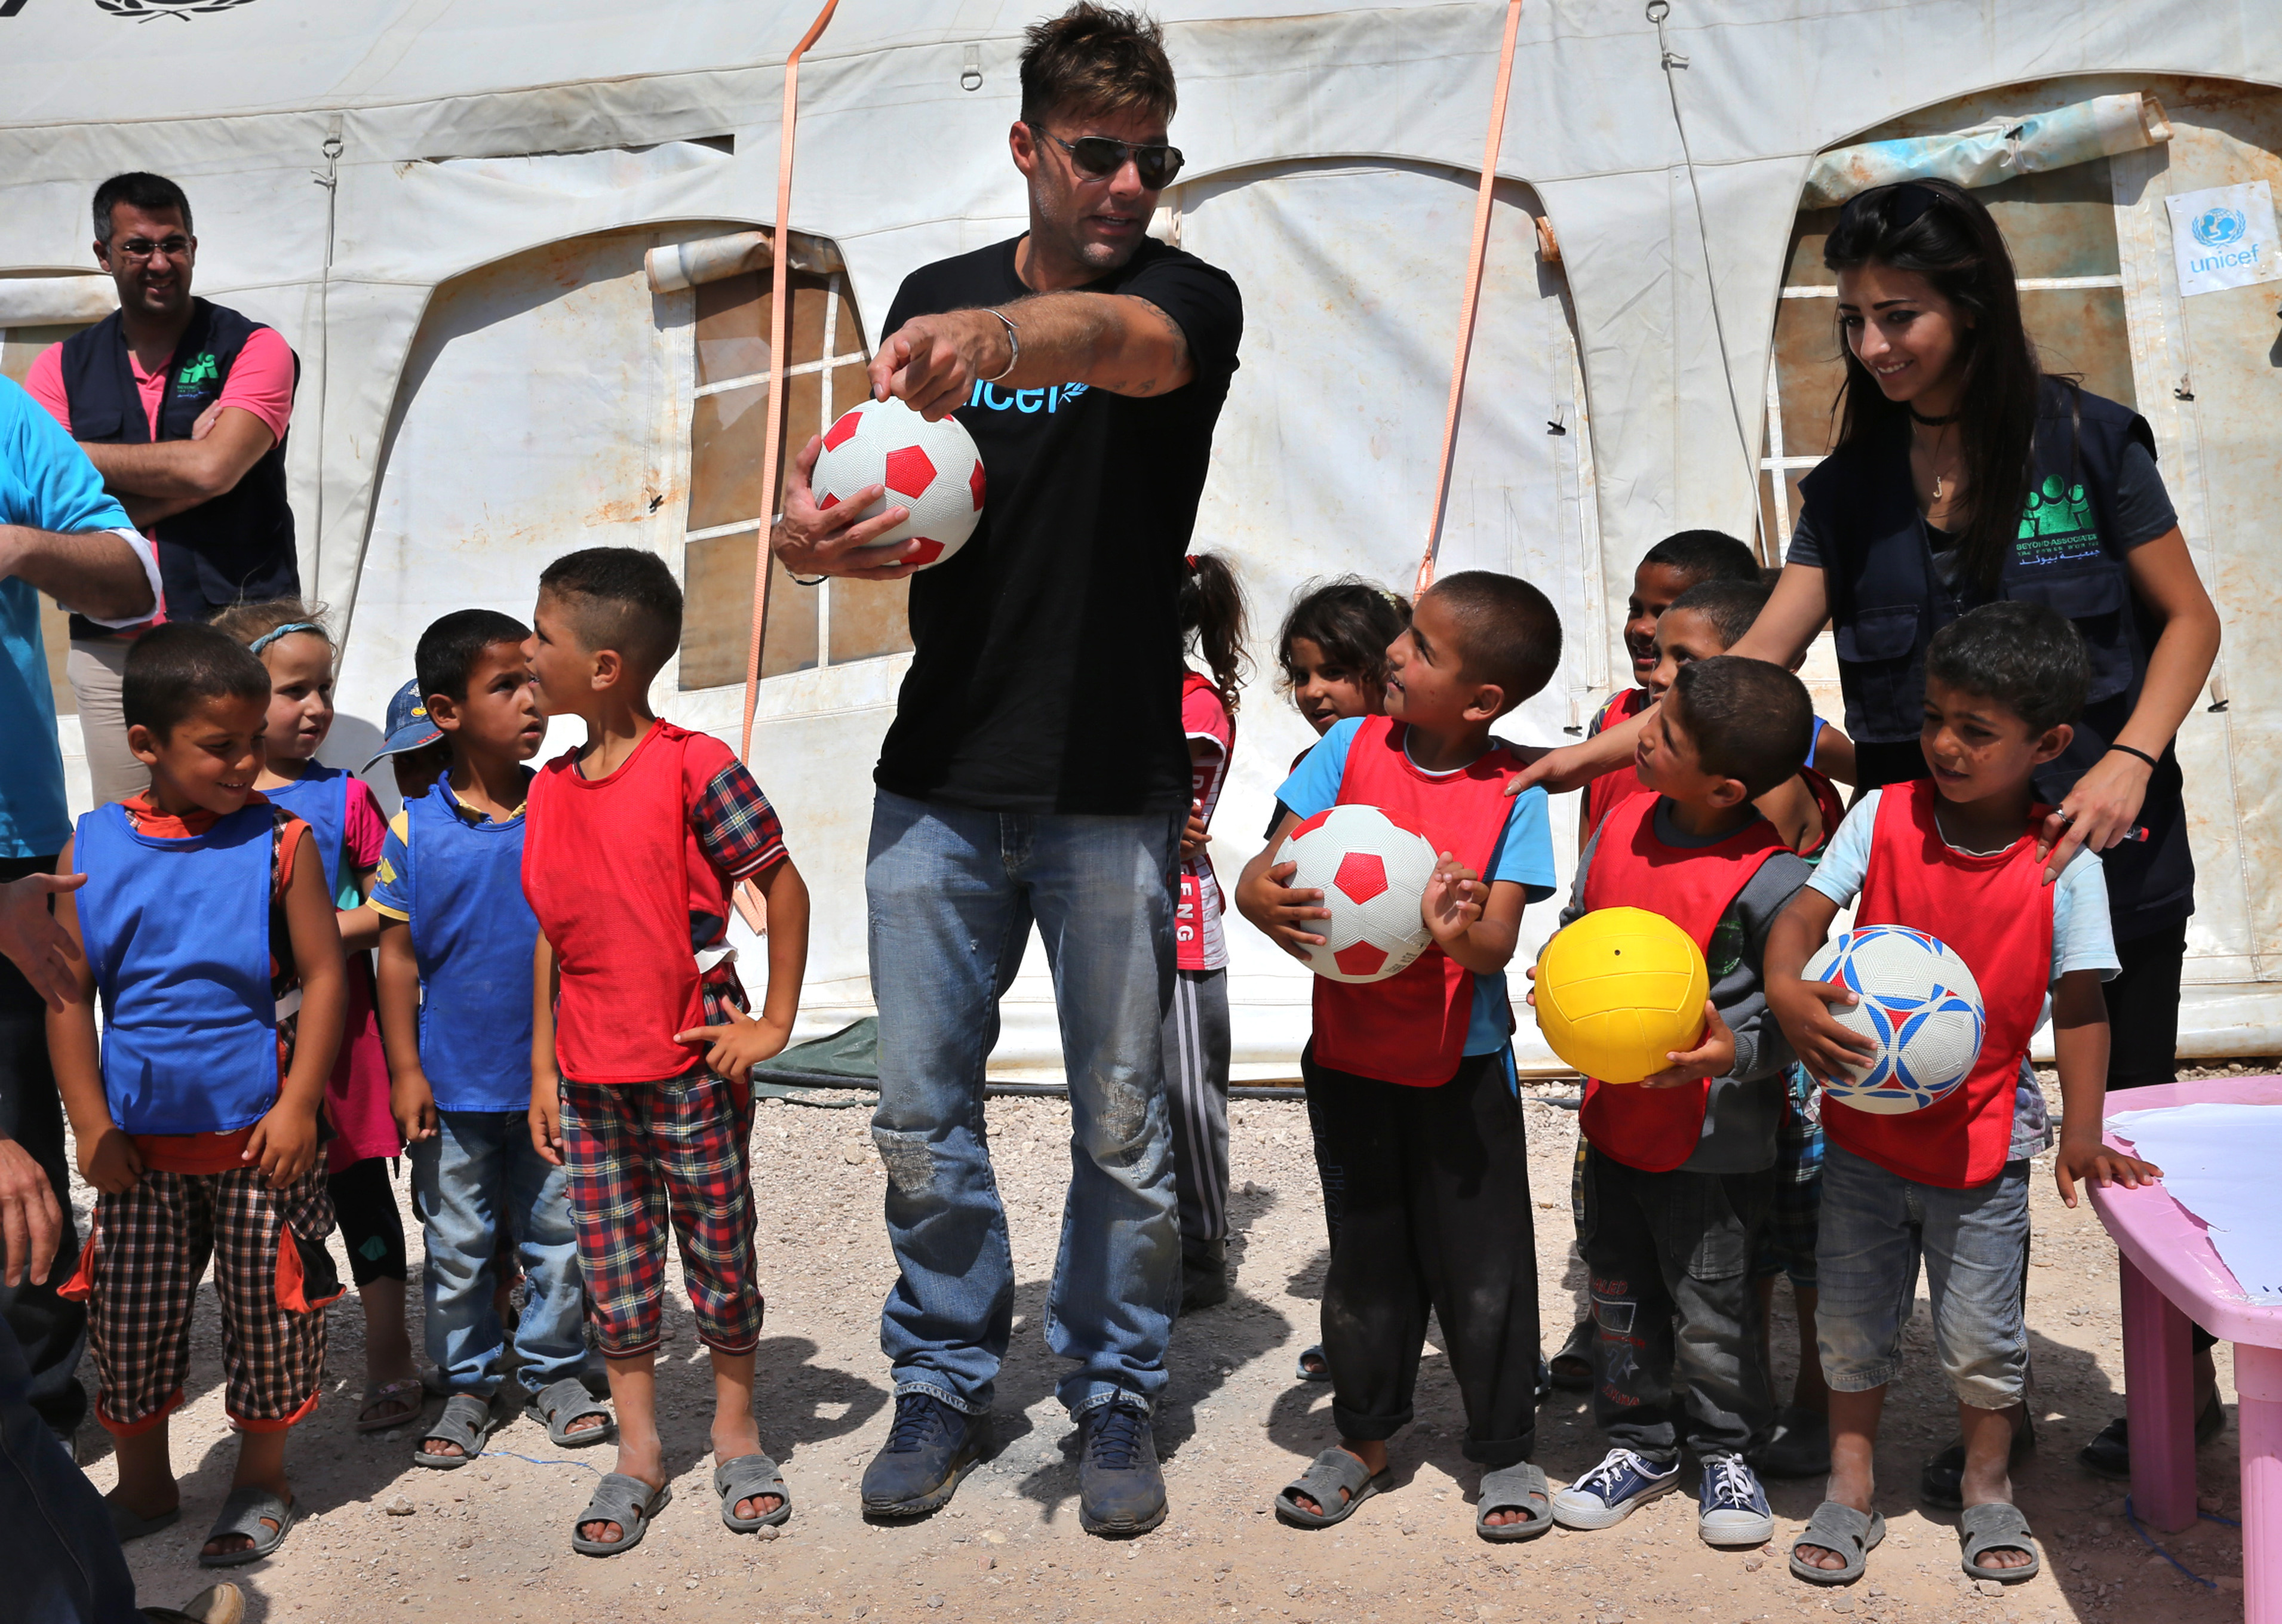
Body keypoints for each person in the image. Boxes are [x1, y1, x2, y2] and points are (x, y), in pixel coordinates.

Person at [1515, 179, 2222, 1484]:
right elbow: (1752, 677)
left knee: (2123, 1120)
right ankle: (1917, 1416)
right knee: (1911, 1135)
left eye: (1895, 316)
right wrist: (1582, 757)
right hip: (1917, 887)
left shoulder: (2089, 440)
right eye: (1850, 322)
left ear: (1968, 302)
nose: (1871, 347)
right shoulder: (1848, 486)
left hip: (2097, 853)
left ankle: (2172, 1396)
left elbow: (2188, 619)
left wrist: (2129, 758)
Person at [767, 4, 1241, 1536]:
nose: (1126, 185)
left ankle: (1113, 1387)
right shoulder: (928, 297)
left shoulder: (1188, 292)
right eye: (1096, 154)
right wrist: (813, 541)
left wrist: (1004, 339)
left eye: (1150, 158)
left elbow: (1121, 347)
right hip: (941, 771)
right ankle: (943, 1375)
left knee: (1116, 1114)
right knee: (916, 1108)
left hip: (1107, 777)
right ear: (1027, 147)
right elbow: (893, 504)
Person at [1767, 602, 2163, 1586]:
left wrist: (2082, 1130)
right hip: (1860, 1135)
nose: (1943, 742)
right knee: (1855, 1322)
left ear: (2050, 743)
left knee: (1981, 1335)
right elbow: (1801, 916)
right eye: (1936, 716)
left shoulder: (2063, 863)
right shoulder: (1883, 814)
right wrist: (1783, 987)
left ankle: (1989, 1489)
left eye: (1976, 731)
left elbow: (2080, 1010)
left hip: (1983, 1148)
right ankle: (1850, 1488)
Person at [1237, 571, 1559, 1541]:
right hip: (1347, 1059)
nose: (1394, 654)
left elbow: (1496, 945)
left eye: (1419, 648)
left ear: (1481, 701)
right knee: (1367, 1264)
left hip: (1460, 1069)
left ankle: (1504, 1449)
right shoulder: (1347, 747)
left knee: (1484, 1268)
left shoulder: (1514, 792)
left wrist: (1452, 930)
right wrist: (1256, 893)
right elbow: (1274, 863)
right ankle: (1365, 1440)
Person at [521, 548, 810, 1555]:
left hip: (690, 1067)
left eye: (542, 635)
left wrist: (770, 1024)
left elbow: (781, 885)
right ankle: (638, 1451)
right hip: (591, 1082)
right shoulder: (549, 788)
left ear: (605, 666)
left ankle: (736, 1431)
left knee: (719, 1258)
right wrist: (542, 1071)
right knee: (614, 1268)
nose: (526, 650)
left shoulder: (694, 766)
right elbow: (555, 941)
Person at [47, 623, 349, 1568]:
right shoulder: (91, 846)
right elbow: (69, 996)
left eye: (253, 740)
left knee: (272, 1319)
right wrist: (91, 1125)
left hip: (261, 1143)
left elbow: (326, 975)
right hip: (137, 1153)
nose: (245, 762)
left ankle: (262, 1479)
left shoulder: (280, 841)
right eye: (219, 746)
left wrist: (300, 1105)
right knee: (128, 1322)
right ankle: (143, 1487)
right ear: (146, 745)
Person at [1538, 656, 1814, 1548]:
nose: (1640, 737)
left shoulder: (1772, 884)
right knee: (1618, 1293)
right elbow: (1581, 930)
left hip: (1718, 1149)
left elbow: (1799, 1017)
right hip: (1613, 1129)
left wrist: (1738, 1052)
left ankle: (1727, 1453)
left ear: (1727, 786)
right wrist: (1556, 979)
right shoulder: (1618, 820)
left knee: (1715, 1307)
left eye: (1662, 736)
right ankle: (1640, 1445)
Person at [371, 611, 612, 1468]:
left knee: (561, 1235)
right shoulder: (415, 831)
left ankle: (554, 1371)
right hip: (453, 1086)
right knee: (459, 1241)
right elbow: (394, 957)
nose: (530, 702)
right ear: (445, 711)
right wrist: (405, 1069)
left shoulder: (564, 804)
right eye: (504, 686)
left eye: (532, 681)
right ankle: (467, 1381)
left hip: (560, 1081)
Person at [1639, 579, 1848, 1479]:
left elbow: (1789, 939)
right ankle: (1739, 1391)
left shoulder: (1771, 797)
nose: (1664, 672)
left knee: (1797, 1234)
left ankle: (1811, 1398)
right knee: (1739, 1245)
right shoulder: (1669, 779)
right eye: (1659, 651)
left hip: (1777, 1049)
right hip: (1690, 1056)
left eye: (1691, 662)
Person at [210, 601, 418, 1435]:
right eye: (293, 689)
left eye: (323, 687)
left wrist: (317, 936)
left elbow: (391, 907)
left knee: (360, 1186)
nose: (318, 707)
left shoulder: (345, 797)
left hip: (343, 1038)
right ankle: (282, 1365)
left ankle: (389, 1354)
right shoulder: (206, 803)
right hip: (242, 1042)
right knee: (259, 1202)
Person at [27, 173, 299, 807]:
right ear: (104, 256)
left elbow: (210, 469)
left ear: (195, 248)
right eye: (137, 247)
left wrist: (80, 461)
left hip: (242, 633)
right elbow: (50, 515)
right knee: (129, 831)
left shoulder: (255, 347)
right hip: (111, 649)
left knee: (256, 831)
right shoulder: (58, 366)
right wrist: (202, 470)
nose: (159, 262)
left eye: (173, 245)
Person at [2, 373, 161, 1452]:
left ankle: (43, 1414)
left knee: (18, 1143)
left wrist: (15, 547)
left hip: (9, 847)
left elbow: (134, 580)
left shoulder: (3, 412)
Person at [1263, 576, 1412, 1385]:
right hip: (1347, 1031)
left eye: (1332, 671)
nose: (1313, 691)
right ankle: (1361, 1331)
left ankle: (1481, 1340)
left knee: (1455, 1207)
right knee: (1358, 1198)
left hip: (1443, 1029)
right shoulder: (1316, 765)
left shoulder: (1435, 762)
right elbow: (1275, 877)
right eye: (1299, 673)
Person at [1166, 553, 1248, 1312]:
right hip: (1111, 915)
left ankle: (1201, 1244)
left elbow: (1179, 822)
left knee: (1187, 1093)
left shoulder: (1194, 704)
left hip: (1180, 922)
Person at [1574, 531, 1762, 855]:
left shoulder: (1756, 735)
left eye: (1663, 613)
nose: (1642, 628)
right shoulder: (1611, 715)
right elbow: (1592, 812)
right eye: (1636, 610)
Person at [365, 679, 452, 805]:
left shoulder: (489, 821)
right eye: (406, 760)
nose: (421, 776)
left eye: (443, 756)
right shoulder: (400, 825)